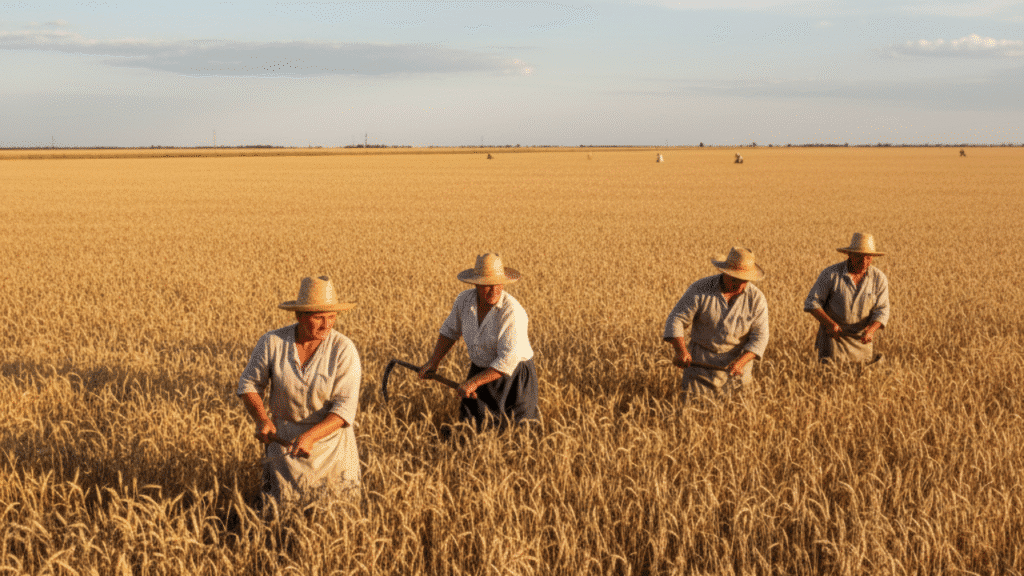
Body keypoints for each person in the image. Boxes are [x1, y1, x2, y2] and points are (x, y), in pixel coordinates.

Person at [237, 275, 362, 504]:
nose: (327, 325)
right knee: (282, 511)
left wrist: (311, 436)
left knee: (334, 510)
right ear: (299, 315)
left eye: (332, 317)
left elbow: (344, 408)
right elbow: (249, 384)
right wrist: (261, 419)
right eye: (318, 317)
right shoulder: (272, 342)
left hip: (332, 451)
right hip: (284, 450)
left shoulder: (344, 349)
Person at [419, 253, 539, 429]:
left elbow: (507, 360)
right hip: (480, 370)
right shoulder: (464, 301)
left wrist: (474, 382)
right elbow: (450, 332)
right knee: (473, 428)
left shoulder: (512, 312)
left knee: (519, 431)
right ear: (476, 284)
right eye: (487, 285)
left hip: (514, 378)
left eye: (498, 284)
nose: (494, 290)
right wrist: (434, 362)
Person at [663, 247, 770, 401]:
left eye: (745, 281)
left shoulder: (757, 299)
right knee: (693, 410)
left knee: (735, 412)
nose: (740, 286)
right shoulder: (701, 288)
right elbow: (676, 319)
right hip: (699, 371)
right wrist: (681, 350)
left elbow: (760, 337)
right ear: (725, 273)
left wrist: (741, 362)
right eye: (735, 279)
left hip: (736, 375)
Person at [804, 233, 890, 363]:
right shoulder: (831, 274)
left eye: (868, 257)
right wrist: (829, 324)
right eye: (859, 257)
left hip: (862, 342)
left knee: (862, 374)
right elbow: (812, 302)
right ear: (849, 254)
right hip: (833, 340)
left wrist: (871, 330)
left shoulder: (879, 278)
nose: (864, 262)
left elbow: (882, 310)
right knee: (830, 372)